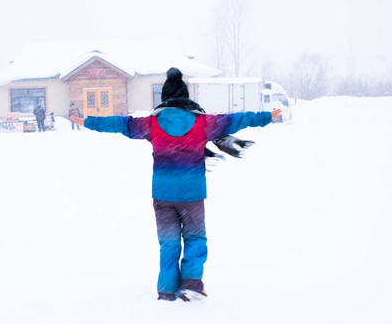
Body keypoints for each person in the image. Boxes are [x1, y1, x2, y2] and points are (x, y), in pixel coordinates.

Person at [71, 67, 281, 302]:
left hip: (162, 195)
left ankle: (167, 290)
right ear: (186, 98)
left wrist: (88, 121)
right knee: (195, 239)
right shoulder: (204, 123)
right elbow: (237, 119)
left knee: (169, 244)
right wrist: (267, 116)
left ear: (165, 100)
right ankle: (190, 282)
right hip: (192, 195)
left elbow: (120, 123)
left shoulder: (151, 124)